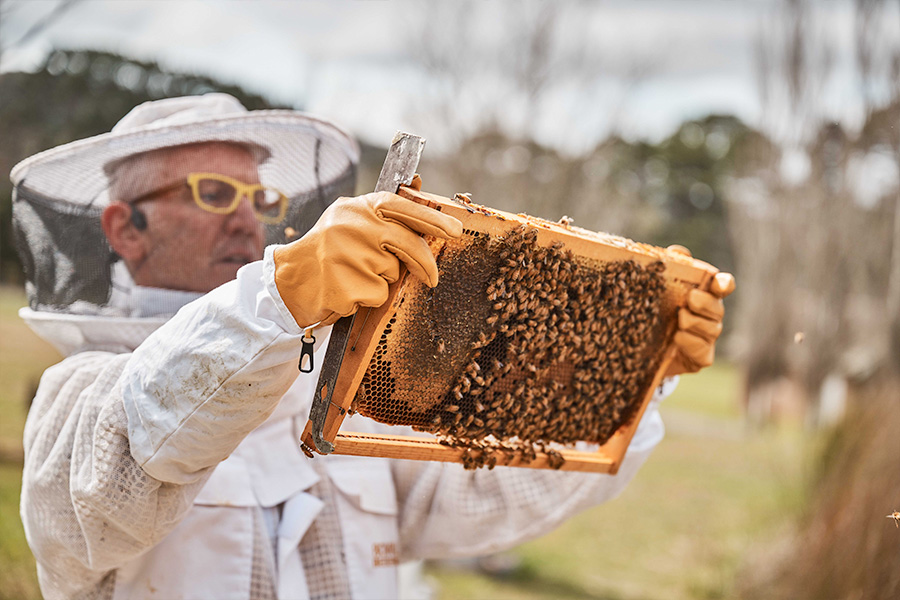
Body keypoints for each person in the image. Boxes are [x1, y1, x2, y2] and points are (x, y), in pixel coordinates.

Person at [12, 94, 734, 600]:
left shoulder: (345, 387)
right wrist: (280, 297)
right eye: (210, 192)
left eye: (261, 200)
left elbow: (487, 494)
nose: (247, 220)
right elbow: (140, 439)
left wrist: (631, 374)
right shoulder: (79, 397)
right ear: (124, 227)